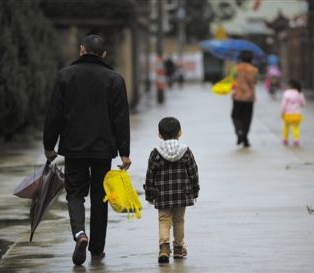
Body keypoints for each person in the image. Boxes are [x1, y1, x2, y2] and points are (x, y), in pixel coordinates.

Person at [43, 34, 131, 265]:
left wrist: (49, 145)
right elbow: (121, 119)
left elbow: (54, 115)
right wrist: (124, 152)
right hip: (103, 149)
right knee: (100, 196)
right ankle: (97, 250)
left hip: (74, 148)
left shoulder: (65, 76)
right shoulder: (115, 79)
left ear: (82, 50)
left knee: (75, 193)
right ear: (104, 55)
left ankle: (80, 234)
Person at [144, 117, 199, 264]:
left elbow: (150, 175)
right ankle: (179, 249)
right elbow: (193, 172)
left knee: (164, 220)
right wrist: (195, 190)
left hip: (162, 194)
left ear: (159, 135)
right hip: (182, 193)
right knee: (179, 220)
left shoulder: (155, 153)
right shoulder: (186, 152)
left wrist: (149, 193)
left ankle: (164, 248)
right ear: (179, 133)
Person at [231, 50, 258, 147]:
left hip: (237, 96)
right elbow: (254, 82)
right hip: (249, 97)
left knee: (235, 116)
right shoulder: (254, 69)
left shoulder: (236, 68)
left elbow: (231, 79)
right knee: (247, 118)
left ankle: (239, 132)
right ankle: (245, 137)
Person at [281, 79, 306, 147]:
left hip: (288, 114)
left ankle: (285, 139)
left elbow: (284, 104)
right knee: (295, 127)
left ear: (290, 85)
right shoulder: (299, 93)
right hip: (297, 114)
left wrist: (282, 112)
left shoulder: (286, 93)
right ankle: (296, 140)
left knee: (286, 127)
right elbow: (303, 103)